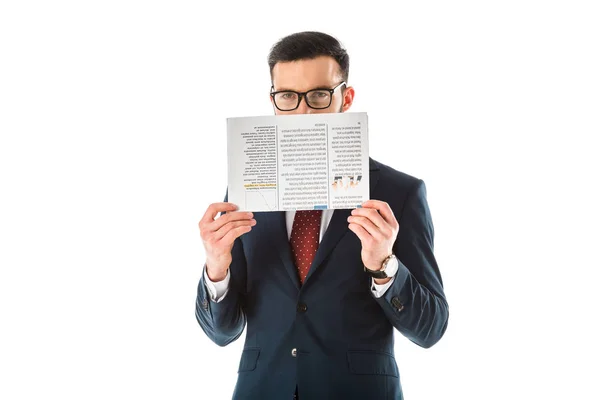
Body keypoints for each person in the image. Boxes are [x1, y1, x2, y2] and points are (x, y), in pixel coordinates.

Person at [195, 31, 449, 399]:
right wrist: (216, 269)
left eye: (318, 96)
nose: (301, 112)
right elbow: (221, 333)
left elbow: (431, 329)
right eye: (287, 97)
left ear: (345, 98)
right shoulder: (245, 191)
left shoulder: (399, 193)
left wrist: (384, 265)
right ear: (273, 100)